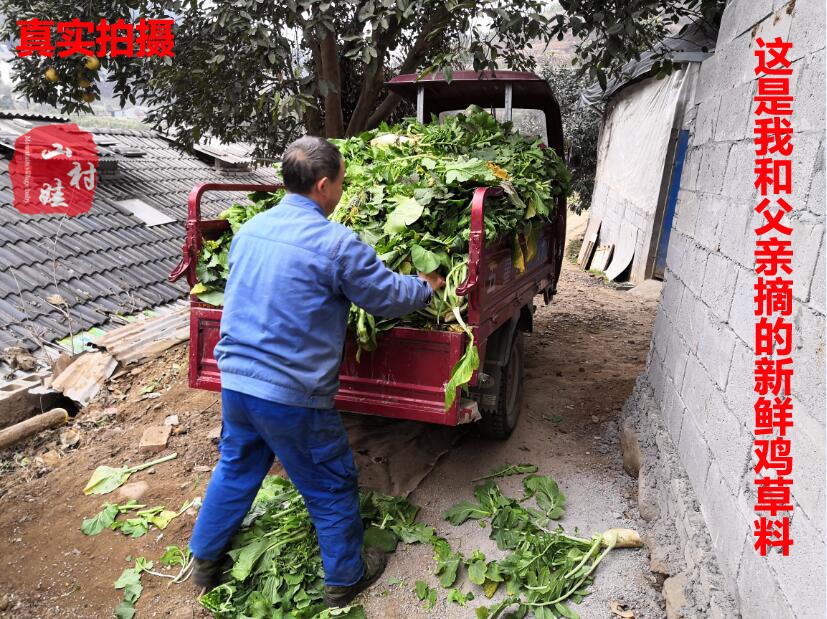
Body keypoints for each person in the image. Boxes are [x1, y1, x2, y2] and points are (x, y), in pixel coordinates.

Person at [187, 135, 444, 607]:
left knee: (236, 467)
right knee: (330, 482)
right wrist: (426, 286)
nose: (342, 190)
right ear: (324, 185)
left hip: (237, 383)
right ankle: (345, 577)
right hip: (291, 394)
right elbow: (385, 296)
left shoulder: (250, 231)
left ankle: (204, 562)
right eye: (341, 182)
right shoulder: (335, 243)